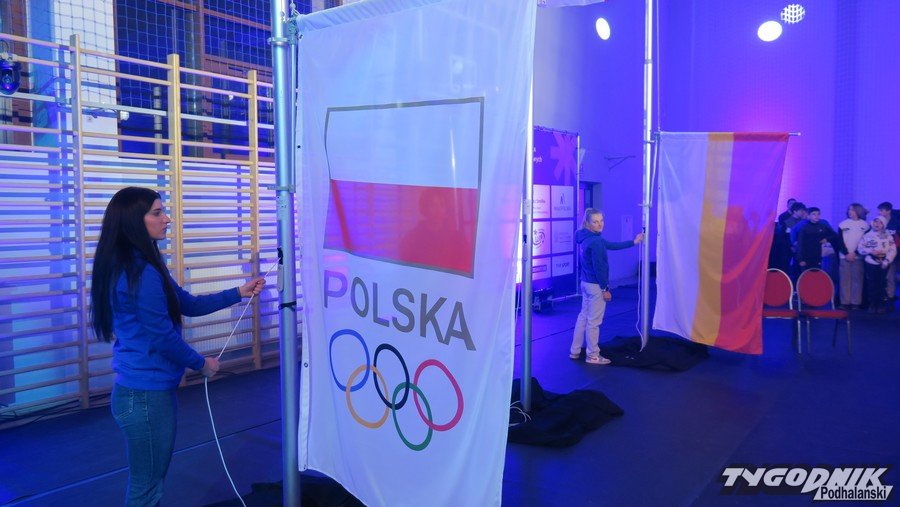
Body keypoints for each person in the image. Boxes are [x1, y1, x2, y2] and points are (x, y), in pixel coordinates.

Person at [90, 187, 264, 506]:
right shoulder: (140, 272)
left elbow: (186, 303)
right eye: (157, 213)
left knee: (148, 485)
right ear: (134, 221)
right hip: (145, 398)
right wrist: (201, 364)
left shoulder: (139, 264)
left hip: (140, 394)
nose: (167, 219)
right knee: (147, 489)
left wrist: (239, 292)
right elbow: (162, 337)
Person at [569, 208, 643, 364]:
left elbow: (611, 245)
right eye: (595, 222)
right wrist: (605, 289)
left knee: (583, 317)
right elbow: (600, 268)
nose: (600, 224)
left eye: (601, 220)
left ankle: (575, 351)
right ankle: (593, 355)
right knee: (594, 322)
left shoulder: (587, 237)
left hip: (585, 283)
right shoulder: (595, 242)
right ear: (587, 223)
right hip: (596, 286)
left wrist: (634, 242)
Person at [857, 216, 897, 314]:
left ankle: (881, 305)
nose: (877, 224)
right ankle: (872, 304)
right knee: (871, 284)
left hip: (884, 263)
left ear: (884, 225)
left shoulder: (888, 236)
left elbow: (893, 250)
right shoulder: (867, 235)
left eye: (880, 222)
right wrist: (870, 251)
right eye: (875, 222)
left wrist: (887, 260)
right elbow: (860, 248)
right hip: (870, 262)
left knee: (882, 284)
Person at [835, 203, 870, 309]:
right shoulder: (843, 224)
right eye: (849, 210)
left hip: (858, 257)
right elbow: (839, 241)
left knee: (857, 280)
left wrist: (855, 253)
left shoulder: (865, 225)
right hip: (844, 257)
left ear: (858, 211)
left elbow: (866, 241)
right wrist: (846, 253)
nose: (850, 212)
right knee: (845, 280)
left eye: (852, 210)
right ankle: (845, 302)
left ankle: (856, 302)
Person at [794, 207, 836, 271]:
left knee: (817, 274)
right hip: (806, 257)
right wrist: (801, 259)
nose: (816, 216)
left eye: (818, 214)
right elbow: (800, 245)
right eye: (814, 214)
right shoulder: (804, 228)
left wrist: (826, 239)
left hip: (818, 256)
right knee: (806, 274)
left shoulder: (823, 226)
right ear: (808, 216)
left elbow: (834, 235)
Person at [876, 202, 900, 304]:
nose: (879, 213)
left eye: (881, 210)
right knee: (881, 276)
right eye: (879, 210)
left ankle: (890, 298)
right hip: (880, 253)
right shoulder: (878, 222)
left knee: (890, 277)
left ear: (889, 211)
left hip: (893, 254)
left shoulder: (896, 223)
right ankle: (882, 297)